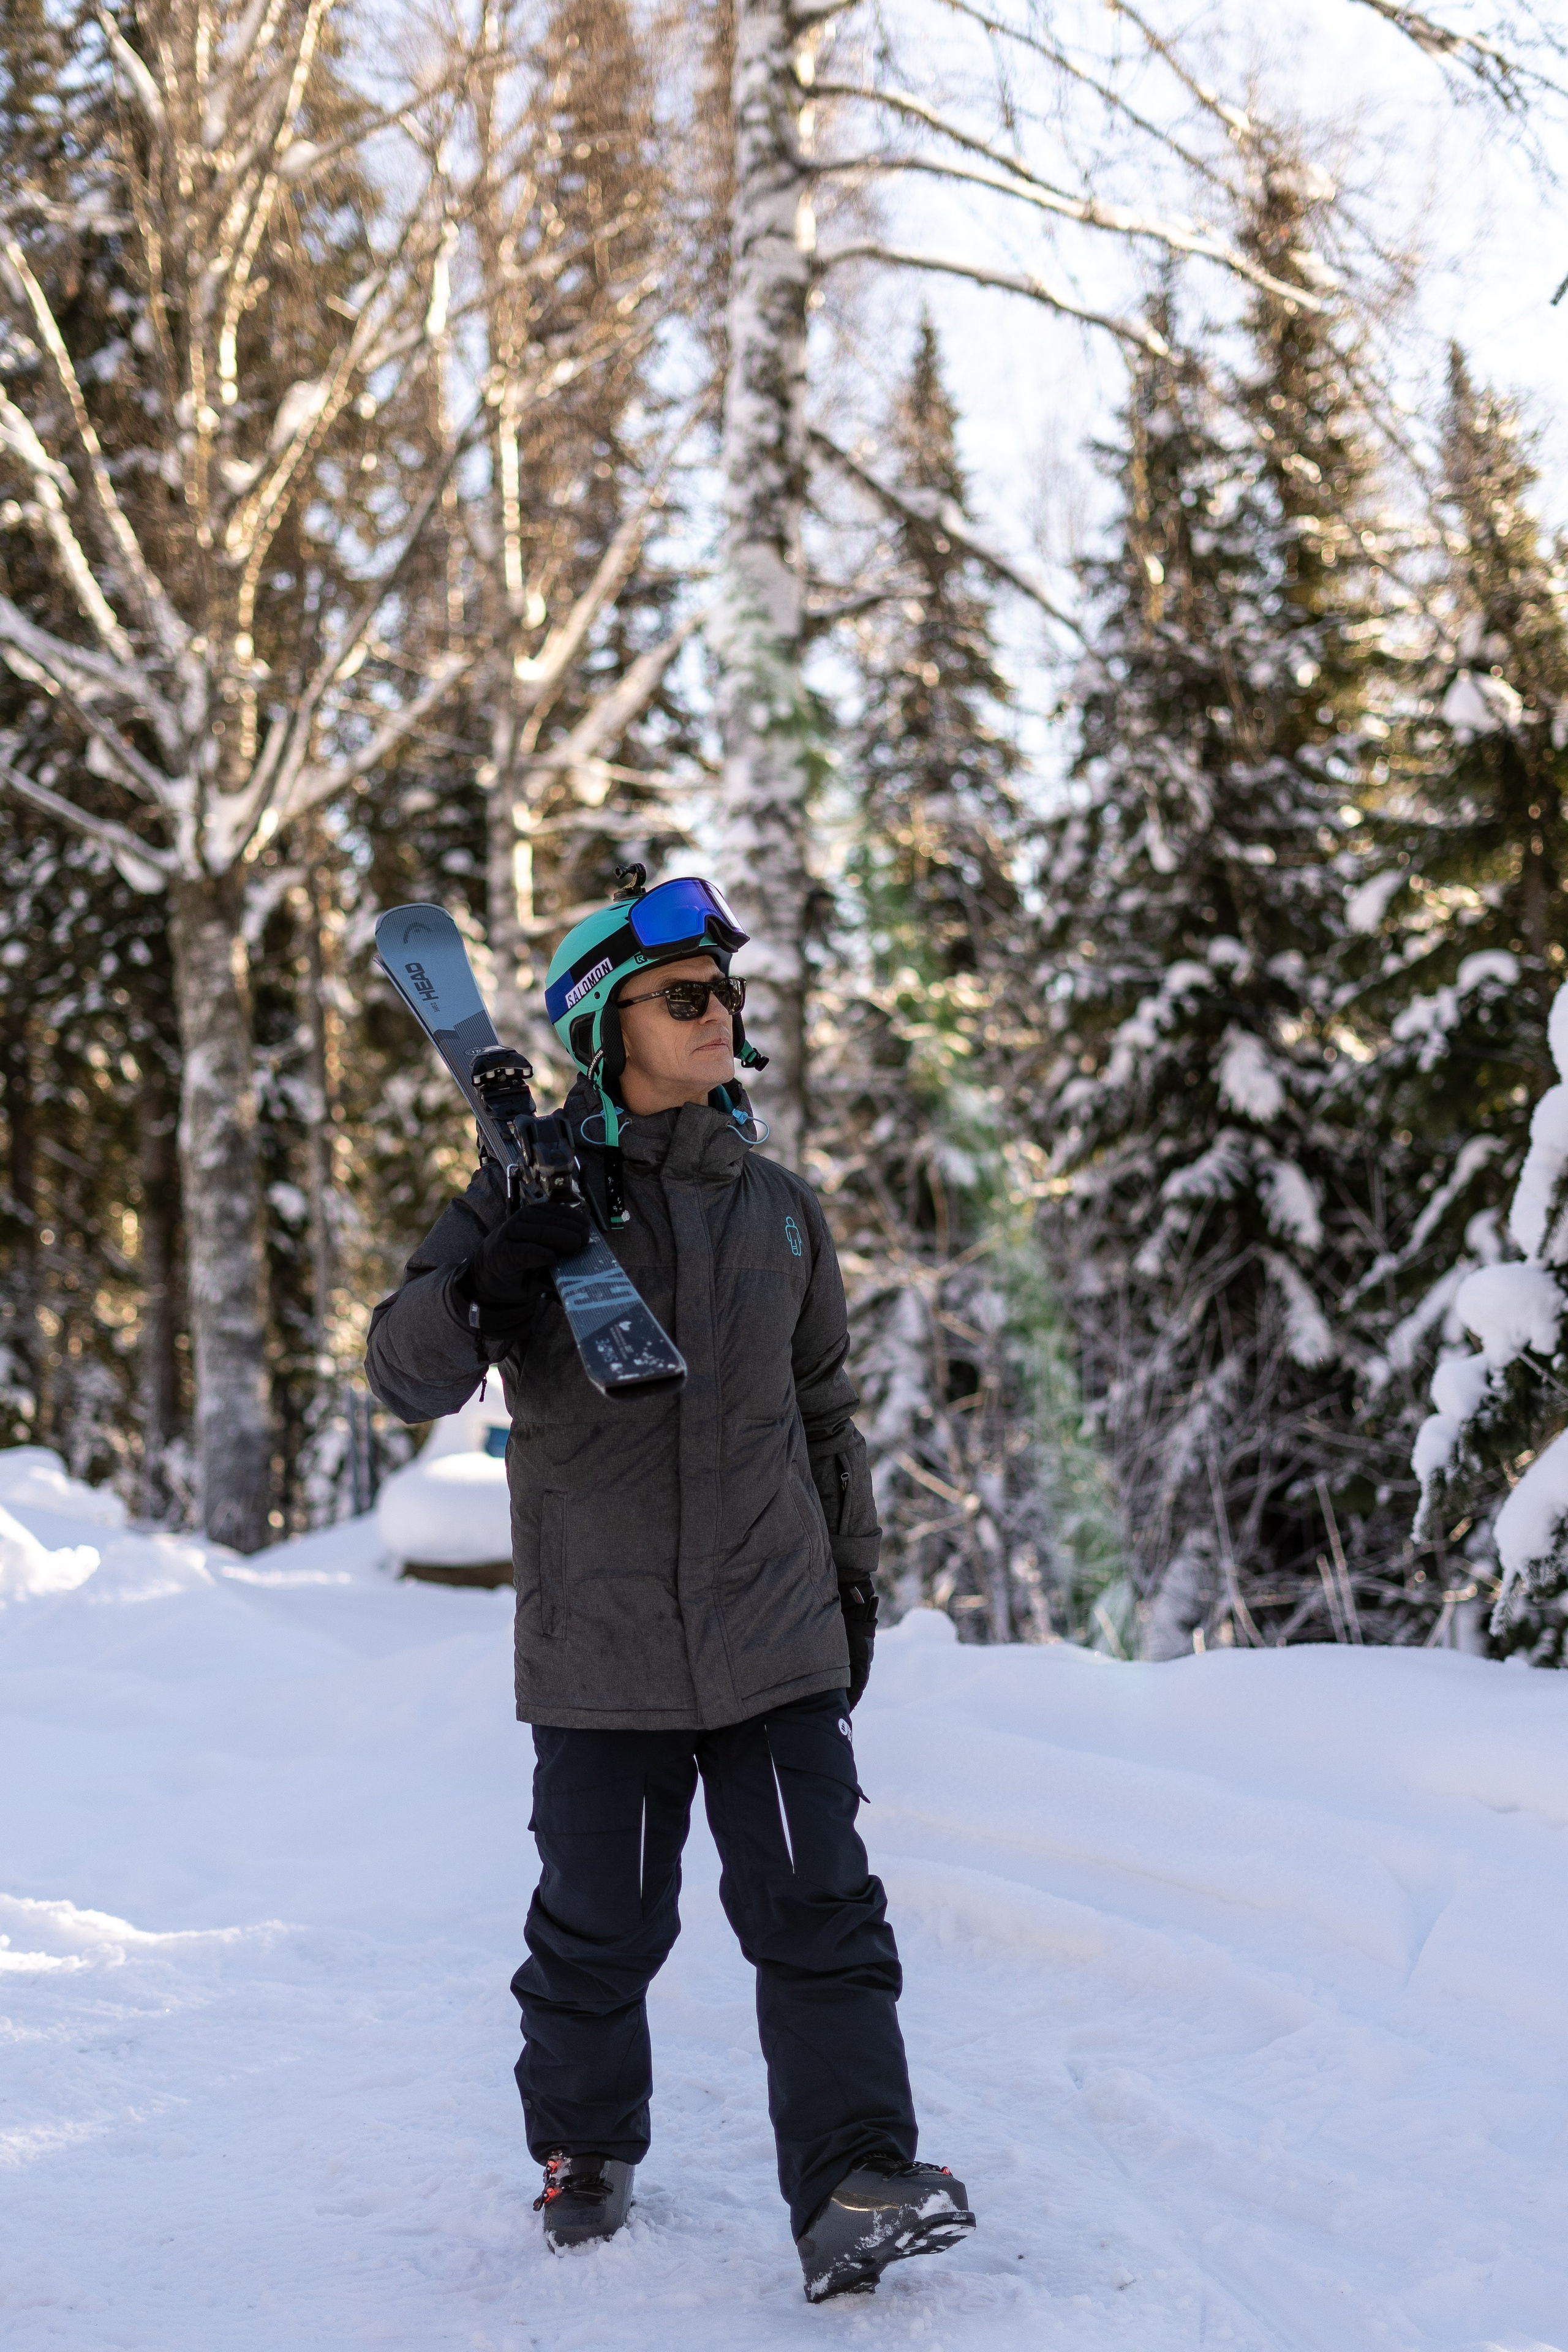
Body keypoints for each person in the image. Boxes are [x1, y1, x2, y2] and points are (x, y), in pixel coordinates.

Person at [366, 870, 974, 2302]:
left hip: (772, 1633)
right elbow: (401, 1373)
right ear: (603, 1025)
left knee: (821, 1913)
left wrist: (851, 1588)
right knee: (599, 1925)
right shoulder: (520, 1193)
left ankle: (851, 2185)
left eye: (726, 995)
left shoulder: (776, 1210)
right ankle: (583, 2148)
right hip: (604, 1640)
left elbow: (820, 1411)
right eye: (684, 997)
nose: (719, 1016)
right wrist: (486, 1286)